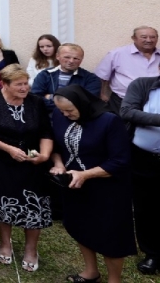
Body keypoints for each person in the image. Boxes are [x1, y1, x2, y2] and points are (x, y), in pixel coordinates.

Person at [50, 85, 135, 283]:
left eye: (70, 111)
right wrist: (58, 163)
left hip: (107, 187)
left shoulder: (109, 121)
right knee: (80, 226)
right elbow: (55, 144)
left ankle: (115, 280)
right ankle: (91, 272)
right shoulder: (59, 114)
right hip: (75, 185)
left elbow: (120, 160)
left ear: (82, 104)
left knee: (109, 236)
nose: (65, 114)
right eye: (61, 111)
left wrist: (86, 174)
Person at [0, 65, 53, 272]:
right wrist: (9, 149)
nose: (24, 88)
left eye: (25, 83)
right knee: (4, 202)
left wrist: (45, 155)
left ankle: (31, 249)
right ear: (5, 84)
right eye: (18, 84)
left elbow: (46, 132)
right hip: (0, 161)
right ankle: (5, 242)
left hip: (32, 162)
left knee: (34, 204)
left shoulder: (36, 102)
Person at [118, 64, 160, 274]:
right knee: (145, 208)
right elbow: (127, 111)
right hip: (142, 158)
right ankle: (152, 253)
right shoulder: (143, 85)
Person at [97, 26, 160, 113]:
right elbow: (101, 77)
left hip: (155, 104)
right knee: (122, 126)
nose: (149, 40)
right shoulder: (117, 54)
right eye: (144, 37)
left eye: (153, 37)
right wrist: (102, 95)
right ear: (134, 38)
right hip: (123, 102)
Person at [31, 43, 101, 113]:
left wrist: (51, 97)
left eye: (76, 58)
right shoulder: (45, 75)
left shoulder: (91, 79)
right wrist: (68, 104)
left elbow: (87, 103)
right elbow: (35, 99)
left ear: (81, 60)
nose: (71, 61)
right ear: (57, 56)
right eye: (67, 57)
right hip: (47, 118)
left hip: (76, 120)